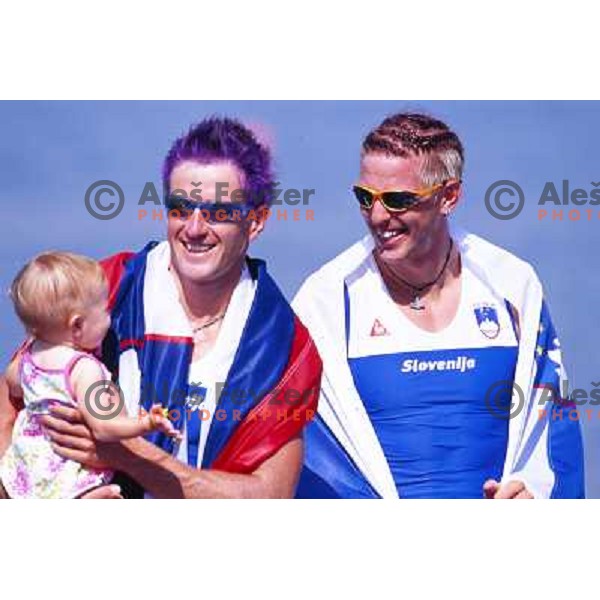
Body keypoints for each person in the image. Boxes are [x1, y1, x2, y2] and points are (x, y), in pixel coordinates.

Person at [0, 117, 321, 499]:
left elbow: (270, 496)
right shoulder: (102, 289)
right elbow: (10, 408)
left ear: (256, 221)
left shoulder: (282, 344)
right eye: (180, 208)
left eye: (218, 213)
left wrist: (127, 455)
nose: (195, 228)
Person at [293, 111, 584, 499]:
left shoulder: (511, 282)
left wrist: (530, 489)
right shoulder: (325, 297)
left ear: (449, 197)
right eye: (365, 198)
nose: (378, 216)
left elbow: (552, 427)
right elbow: (299, 446)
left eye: (398, 200)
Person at [0, 252, 181, 498]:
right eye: (106, 311)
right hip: (65, 474)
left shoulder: (28, 359)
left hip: (26, 470)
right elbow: (104, 427)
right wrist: (147, 423)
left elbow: (13, 385)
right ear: (77, 326)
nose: (110, 319)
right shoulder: (84, 369)